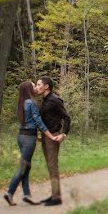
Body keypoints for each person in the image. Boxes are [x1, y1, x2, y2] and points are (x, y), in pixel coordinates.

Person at [4, 81, 62, 206]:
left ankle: (27, 194)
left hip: (20, 136)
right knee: (23, 166)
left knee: (26, 165)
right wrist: (50, 136)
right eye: (33, 85)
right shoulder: (32, 103)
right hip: (29, 138)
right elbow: (38, 122)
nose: (36, 87)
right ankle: (10, 192)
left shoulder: (21, 103)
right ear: (29, 89)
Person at [35, 76, 71, 206]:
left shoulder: (55, 100)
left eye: (39, 84)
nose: (37, 87)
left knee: (52, 165)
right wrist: (41, 136)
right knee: (50, 166)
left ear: (46, 86)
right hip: (46, 136)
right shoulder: (43, 101)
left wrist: (63, 134)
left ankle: (57, 198)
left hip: (54, 136)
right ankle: (54, 195)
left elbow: (67, 118)